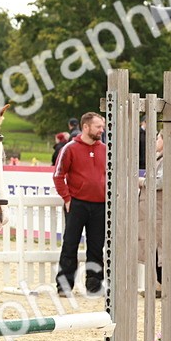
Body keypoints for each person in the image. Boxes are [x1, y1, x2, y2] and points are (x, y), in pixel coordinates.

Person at [53, 112, 107, 296]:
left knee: (96, 247)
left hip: (100, 205)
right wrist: (67, 199)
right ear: (86, 127)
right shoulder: (70, 148)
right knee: (70, 244)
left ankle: (94, 286)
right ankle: (64, 286)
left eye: (102, 126)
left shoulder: (106, 150)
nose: (102, 130)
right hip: (76, 204)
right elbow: (58, 175)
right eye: (98, 126)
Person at [137, 131, 171, 289]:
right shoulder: (165, 159)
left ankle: (163, 284)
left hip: (161, 211)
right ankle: (160, 283)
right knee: (158, 246)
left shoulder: (169, 160)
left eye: (158, 137)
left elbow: (159, 183)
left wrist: (141, 181)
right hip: (158, 210)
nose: (156, 140)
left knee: (160, 246)